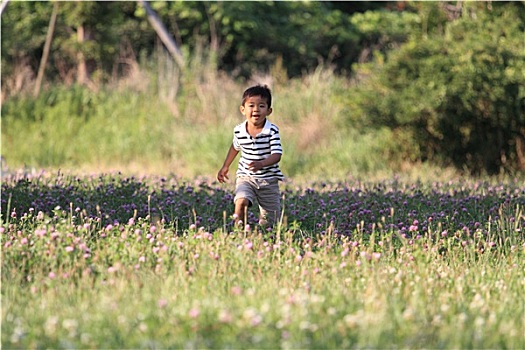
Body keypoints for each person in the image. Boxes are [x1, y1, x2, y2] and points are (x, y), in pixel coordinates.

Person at [217, 84, 284, 228]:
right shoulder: (239, 130)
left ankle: (265, 239)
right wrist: (225, 166)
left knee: (270, 224)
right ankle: (240, 233)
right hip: (245, 177)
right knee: (240, 202)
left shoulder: (272, 131)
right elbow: (235, 147)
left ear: (268, 110)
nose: (256, 109)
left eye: (261, 106)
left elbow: (277, 154)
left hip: (268, 181)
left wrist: (262, 164)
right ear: (243, 109)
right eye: (251, 105)